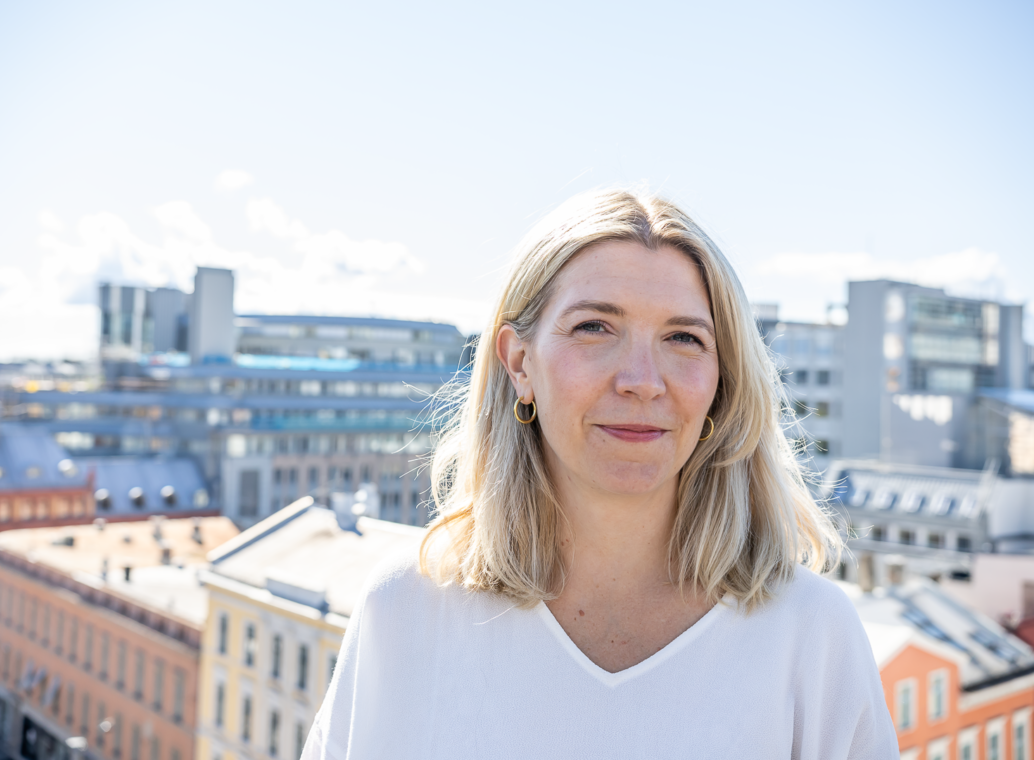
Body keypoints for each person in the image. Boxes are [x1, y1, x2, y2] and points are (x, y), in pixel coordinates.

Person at [303, 189, 898, 759]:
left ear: (723, 381)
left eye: (683, 337)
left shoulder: (812, 636)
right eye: (594, 327)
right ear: (519, 362)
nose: (642, 380)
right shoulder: (406, 612)